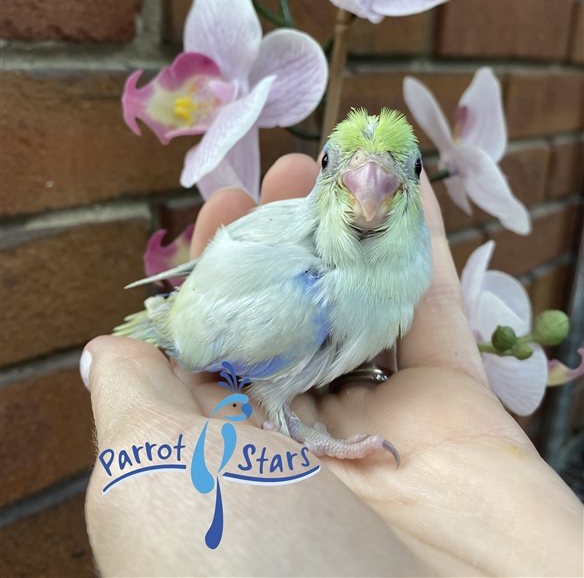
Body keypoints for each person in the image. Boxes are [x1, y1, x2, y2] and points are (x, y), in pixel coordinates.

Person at [81, 154, 583, 577]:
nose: (367, 183)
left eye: (404, 169)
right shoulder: (307, 291)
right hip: (198, 330)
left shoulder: (408, 266)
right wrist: (315, 438)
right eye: (333, 164)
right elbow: (263, 394)